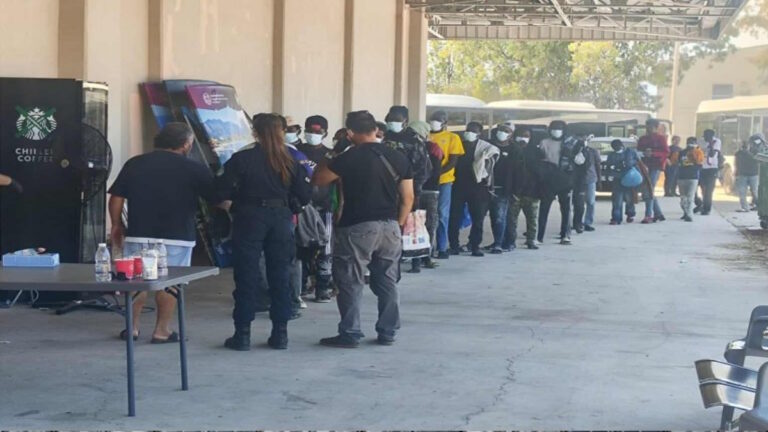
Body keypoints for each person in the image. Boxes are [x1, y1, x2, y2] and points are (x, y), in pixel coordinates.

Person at [108, 122, 218, 343]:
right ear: (185, 144)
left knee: (135, 280)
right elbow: (216, 198)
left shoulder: (135, 163)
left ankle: (132, 328)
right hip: (178, 236)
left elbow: (116, 198)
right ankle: (162, 330)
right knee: (171, 283)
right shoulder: (195, 168)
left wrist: (116, 225)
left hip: (139, 232)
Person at [312, 110, 414, 348]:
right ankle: (388, 331)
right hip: (390, 226)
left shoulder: (348, 157)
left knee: (350, 280)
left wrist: (334, 152)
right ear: (376, 130)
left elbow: (319, 179)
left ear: (349, 133)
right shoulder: (397, 157)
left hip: (357, 227)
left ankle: (350, 332)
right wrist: (397, 225)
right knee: (387, 281)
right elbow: (408, 198)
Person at [219, 114, 312, 351]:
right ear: (282, 132)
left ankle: (242, 335)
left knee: (246, 275)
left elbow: (220, 189)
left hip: (249, 217)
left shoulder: (242, 158)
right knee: (280, 275)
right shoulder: (290, 160)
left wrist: (234, 205)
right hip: (281, 219)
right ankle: (280, 334)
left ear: (254, 132)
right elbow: (305, 195)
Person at [296, 115, 335, 303]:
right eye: (310, 130)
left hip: (325, 207)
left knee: (325, 249)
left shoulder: (330, 155)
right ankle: (301, 285)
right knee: (300, 247)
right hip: (301, 208)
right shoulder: (296, 152)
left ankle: (323, 287)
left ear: (325, 133)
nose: (313, 134)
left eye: (318, 131)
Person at [448, 122, 498, 257]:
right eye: (468, 130)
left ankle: (475, 246)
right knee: (454, 217)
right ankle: (454, 246)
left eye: (473, 131)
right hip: (458, 186)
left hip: (478, 187)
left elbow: (493, 158)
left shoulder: (485, 147)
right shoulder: (459, 144)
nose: (469, 133)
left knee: (478, 219)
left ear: (479, 133)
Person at [407, 120, 443, 272]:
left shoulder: (428, 148)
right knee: (422, 225)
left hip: (421, 191)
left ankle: (421, 258)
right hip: (425, 190)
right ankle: (423, 258)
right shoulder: (431, 147)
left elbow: (435, 171)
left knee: (418, 225)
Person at [428, 110, 464, 259]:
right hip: (427, 182)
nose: (434, 122)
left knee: (442, 214)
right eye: (433, 119)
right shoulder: (425, 135)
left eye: (438, 120)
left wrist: (436, 174)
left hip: (444, 181)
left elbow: (453, 161)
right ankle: (427, 248)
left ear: (445, 123)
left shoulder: (452, 138)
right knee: (427, 215)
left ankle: (442, 247)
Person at [537, 120, 576, 245]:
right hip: (548, 179)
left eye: (559, 128)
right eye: (554, 128)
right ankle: (539, 236)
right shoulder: (544, 142)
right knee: (543, 209)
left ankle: (565, 235)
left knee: (566, 210)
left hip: (565, 179)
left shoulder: (570, 144)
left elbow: (578, 162)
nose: (556, 131)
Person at [506, 127, 543, 250]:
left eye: (526, 136)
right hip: (514, 191)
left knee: (532, 219)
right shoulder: (511, 149)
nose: (523, 138)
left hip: (532, 192)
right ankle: (511, 241)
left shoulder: (536, 152)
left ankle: (531, 240)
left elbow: (541, 172)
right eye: (521, 135)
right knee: (511, 219)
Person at [487, 122, 515, 253]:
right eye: (501, 130)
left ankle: (500, 243)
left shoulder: (514, 150)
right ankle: (496, 241)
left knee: (500, 217)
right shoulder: (489, 145)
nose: (502, 133)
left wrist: (515, 190)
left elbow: (518, 171)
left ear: (511, 134)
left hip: (504, 189)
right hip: (486, 187)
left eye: (506, 131)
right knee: (493, 217)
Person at [636, 118, 669, 224]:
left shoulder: (661, 138)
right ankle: (658, 214)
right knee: (647, 190)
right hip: (644, 166)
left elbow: (666, 152)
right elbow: (638, 151)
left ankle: (648, 215)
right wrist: (643, 154)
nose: (648, 129)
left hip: (656, 166)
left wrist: (653, 153)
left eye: (650, 127)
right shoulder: (642, 139)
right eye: (647, 126)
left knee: (649, 189)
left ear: (656, 127)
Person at [670, 137, 705, 222]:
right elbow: (674, 162)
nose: (691, 144)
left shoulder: (698, 152)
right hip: (682, 177)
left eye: (692, 142)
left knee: (690, 197)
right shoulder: (680, 152)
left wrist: (694, 153)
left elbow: (700, 163)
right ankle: (686, 212)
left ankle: (689, 215)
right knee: (683, 198)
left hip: (692, 177)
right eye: (690, 142)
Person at [571, 137, 601, 233]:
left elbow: (597, 165)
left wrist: (599, 179)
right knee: (577, 203)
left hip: (590, 179)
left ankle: (588, 223)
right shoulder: (572, 151)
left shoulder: (593, 151)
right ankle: (576, 222)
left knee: (590, 201)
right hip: (577, 180)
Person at [606, 139, 639, 225]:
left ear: (621, 145)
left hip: (629, 177)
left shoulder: (630, 152)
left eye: (617, 146)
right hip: (617, 179)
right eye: (614, 147)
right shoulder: (611, 155)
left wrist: (629, 163)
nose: (616, 148)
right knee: (617, 200)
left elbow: (637, 161)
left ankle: (630, 214)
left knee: (629, 199)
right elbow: (608, 166)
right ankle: (616, 218)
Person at [696, 129, 722, 216]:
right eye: (705, 136)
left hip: (712, 168)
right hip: (701, 167)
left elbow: (712, 154)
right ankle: (701, 203)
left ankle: (707, 208)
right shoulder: (700, 141)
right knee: (701, 188)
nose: (705, 138)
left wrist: (711, 144)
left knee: (709, 190)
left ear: (712, 137)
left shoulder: (717, 141)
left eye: (708, 137)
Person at [734, 140, 760, 212]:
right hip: (743, 174)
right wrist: (736, 172)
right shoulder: (739, 153)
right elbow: (736, 162)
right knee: (742, 192)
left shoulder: (755, 151)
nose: (744, 147)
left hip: (753, 174)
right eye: (743, 145)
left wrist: (748, 153)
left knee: (755, 191)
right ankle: (745, 207)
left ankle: (758, 205)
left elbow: (757, 160)